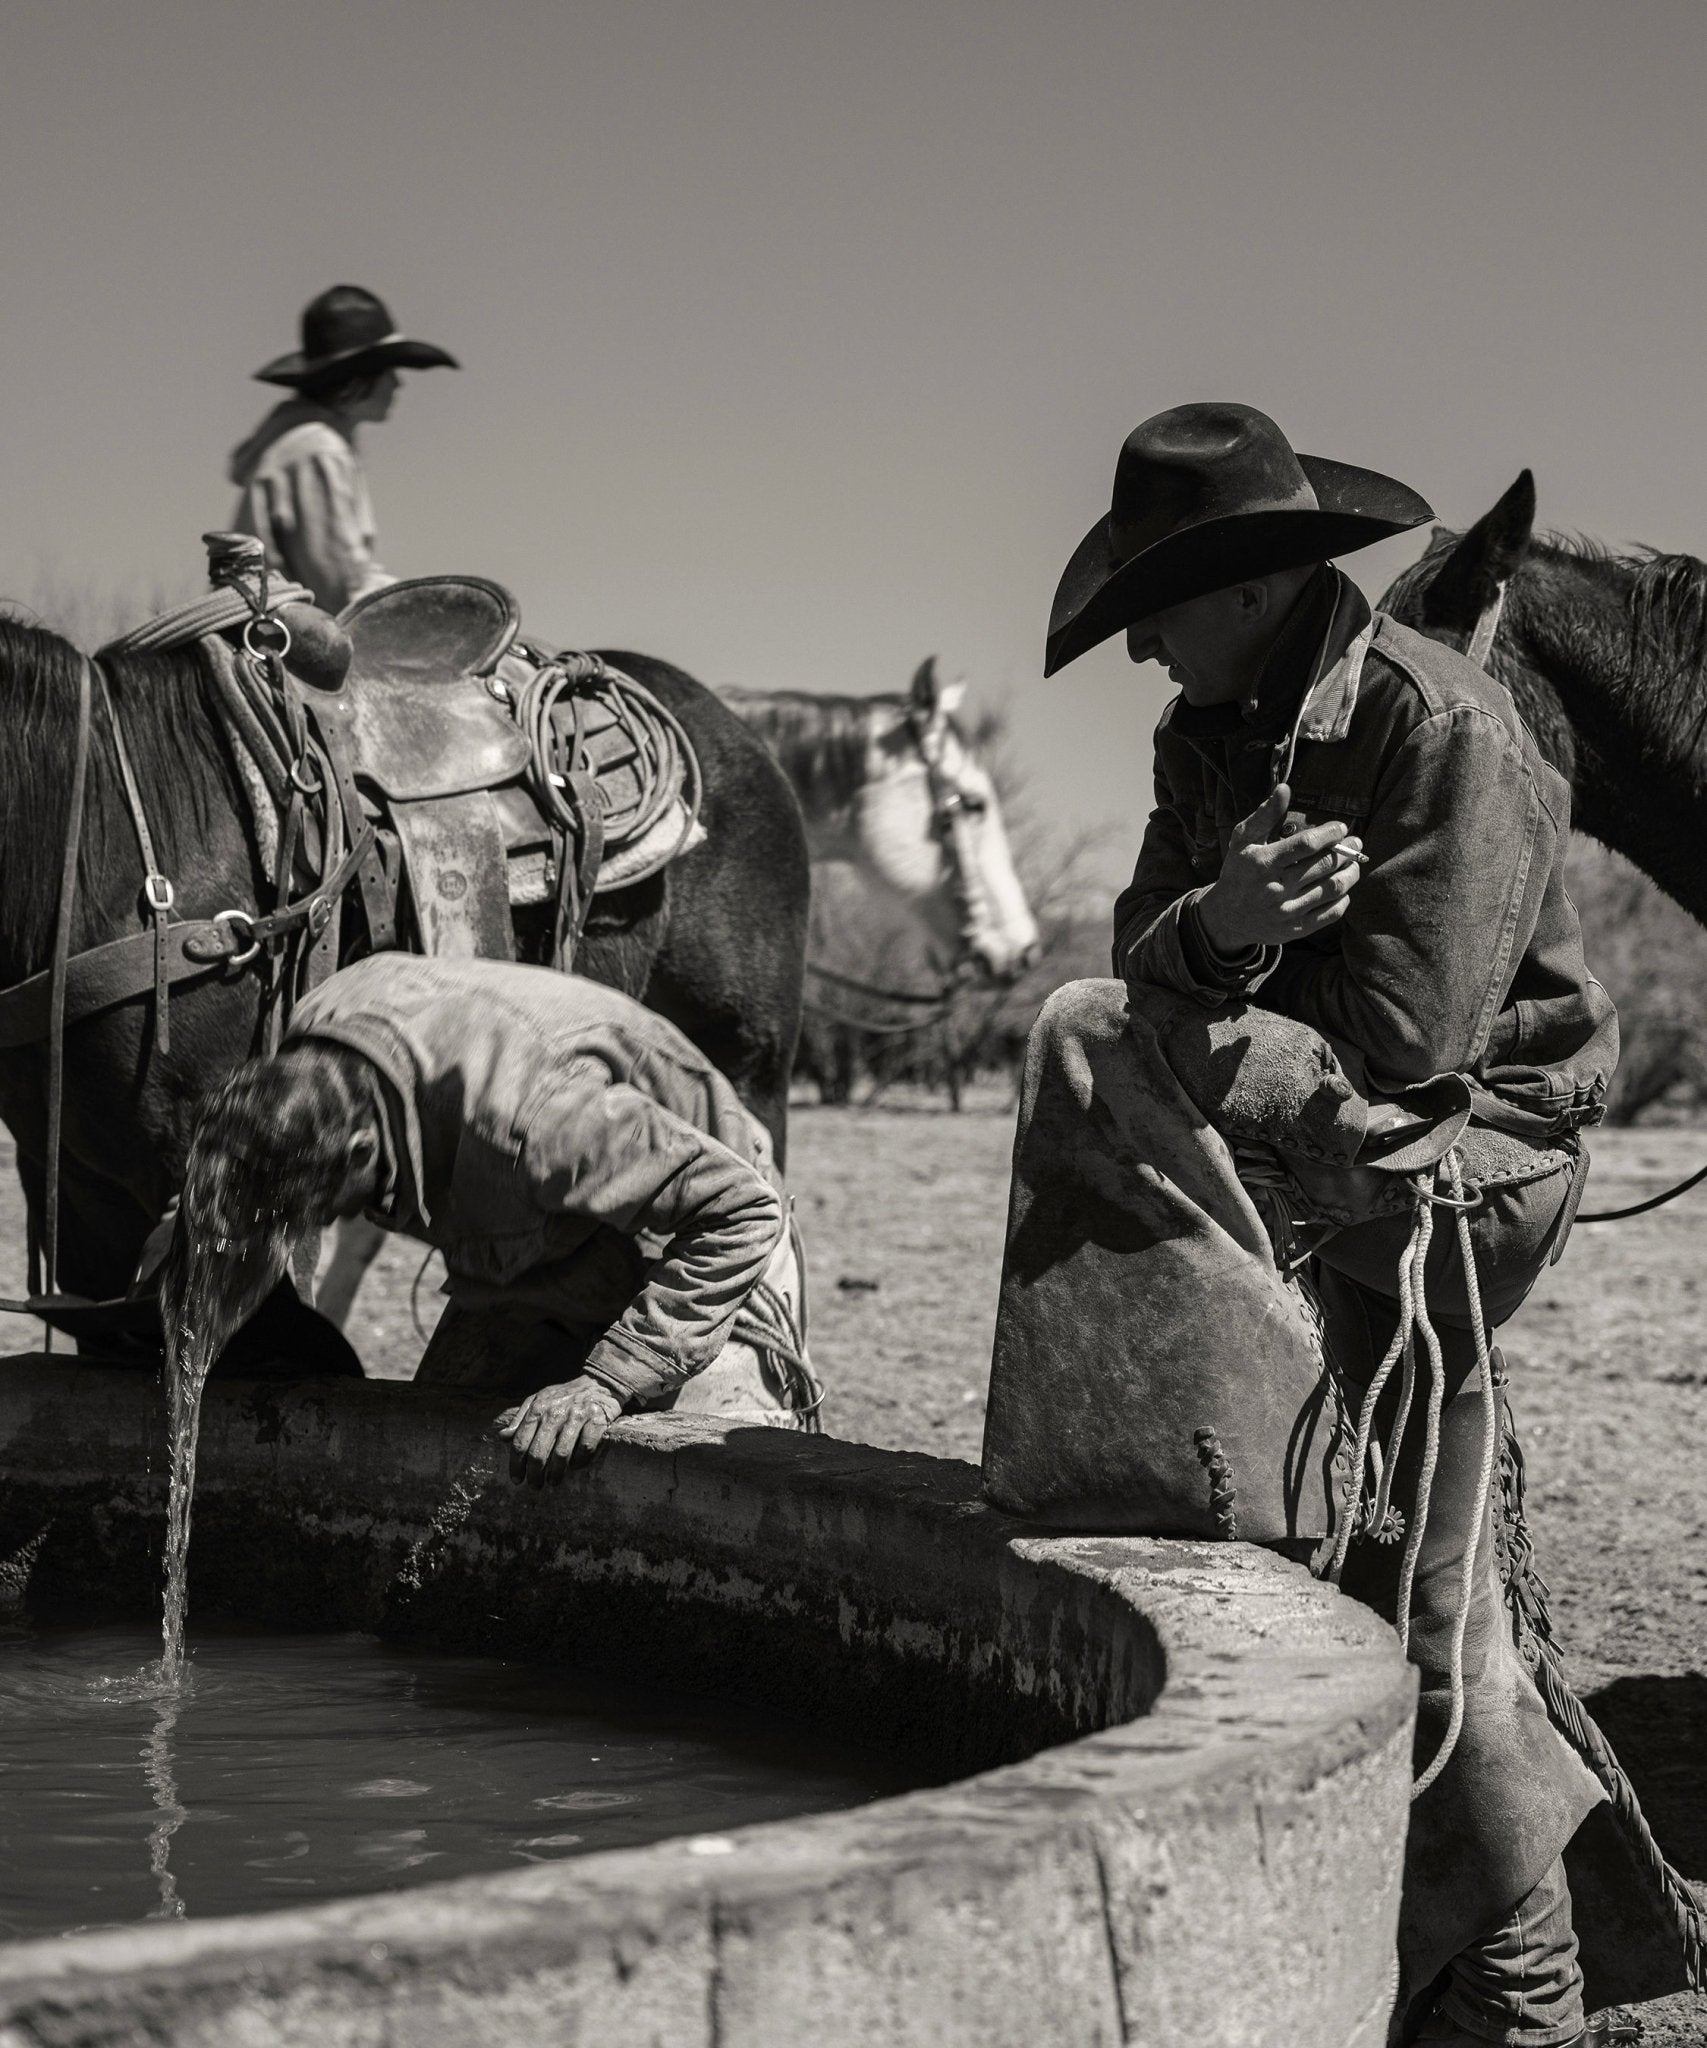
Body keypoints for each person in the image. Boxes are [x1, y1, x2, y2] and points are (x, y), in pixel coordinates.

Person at [981, 405, 1668, 2045]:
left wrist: (1199, 976)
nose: (1138, 647)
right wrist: (1222, 926)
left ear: (1246, 588)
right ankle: (1500, 1970)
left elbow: (1411, 1058)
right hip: (1318, 1145)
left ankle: (1517, 1990)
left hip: (1456, 1172)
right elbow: (1149, 938)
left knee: (1412, 1599)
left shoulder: (1447, 731)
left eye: (1154, 607)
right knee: (1402, 1579)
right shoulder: (1205, 736)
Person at [164, 953, 820, 1472]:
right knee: (437, 1481)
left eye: (318, 1210)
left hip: (701, 1243)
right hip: (545, 1244)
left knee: (681, 1486)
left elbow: (741, 1210)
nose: (323, 1224)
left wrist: (608, 1381)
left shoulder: (535, 1124)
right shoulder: (319, 1046)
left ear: (363, 1150)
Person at [227, 284, 458, 615]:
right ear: (359, 378)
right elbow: (343, 588)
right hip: (286, 632)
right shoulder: (318, 450)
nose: (398, 383)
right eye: (389, 370)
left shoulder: (306, 444)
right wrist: (437, 610)